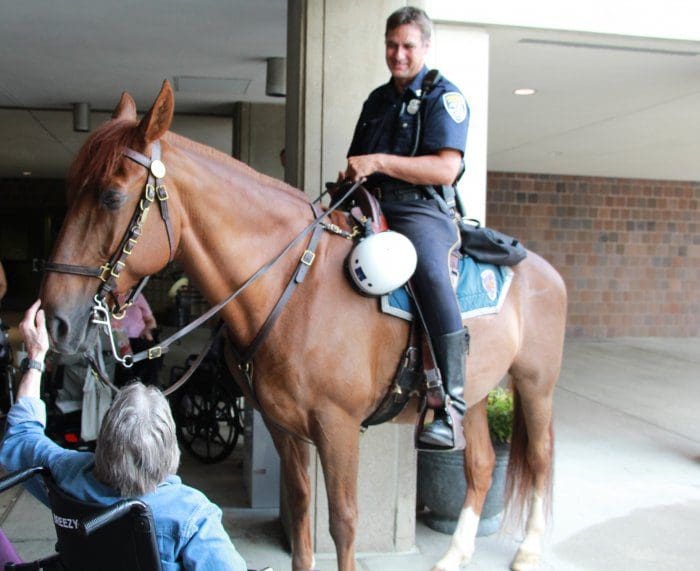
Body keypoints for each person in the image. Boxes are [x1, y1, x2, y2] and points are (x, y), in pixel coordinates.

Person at [0, 300, 247, 571]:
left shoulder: (65, 474)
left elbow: (21, 435)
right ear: (169, 448)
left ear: (104, 439)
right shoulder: (191, 514)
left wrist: (36, 357)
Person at [340, 6, 469, 450]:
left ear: (426, 47)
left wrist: (378, 162)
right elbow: (358, 161)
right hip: (369, 205)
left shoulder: (444, 97)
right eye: (392, 45)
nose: (398, 54)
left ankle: (450, 406)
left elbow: (446, 168)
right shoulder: (377, 100)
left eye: (408, 46)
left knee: (431, 275)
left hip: (420, 211)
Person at [111, 292, 162, 386]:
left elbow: (151, 322)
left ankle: (150, 389)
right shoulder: (107, 295)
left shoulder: (136, 295)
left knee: (150, 354)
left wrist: (146, 331)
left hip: (139, 338)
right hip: (115, 341)